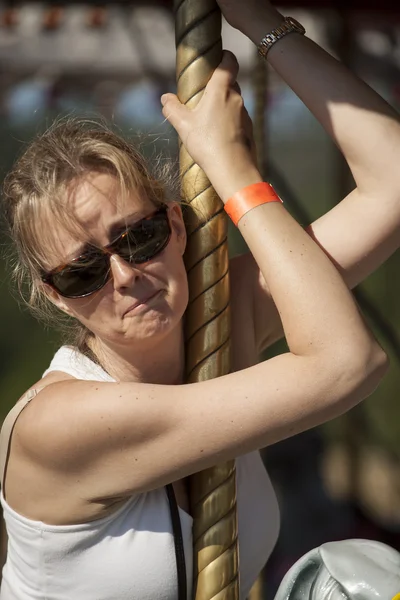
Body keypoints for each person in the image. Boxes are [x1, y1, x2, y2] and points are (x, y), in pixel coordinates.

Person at [0, 0, 399, 598]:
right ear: (57, 298)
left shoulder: (221, 314)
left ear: (178, 228)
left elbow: (392, 182)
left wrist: (258, 21)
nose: (125, 276)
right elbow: (346, 365)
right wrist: (236, 174)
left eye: (140, 238)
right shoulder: (60, 425)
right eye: (83, 274)